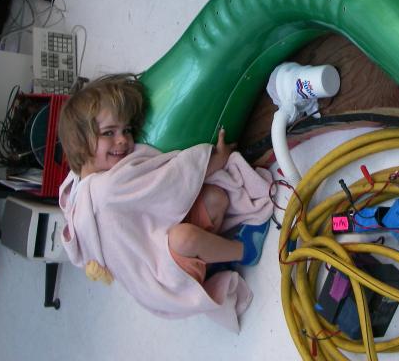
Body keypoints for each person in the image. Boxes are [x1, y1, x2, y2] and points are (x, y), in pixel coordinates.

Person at [57, 73, 271, 298]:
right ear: (80, 143)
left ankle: (212, 258)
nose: (123, 140)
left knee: (215, 199)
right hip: (165, 276)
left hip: (162, 243)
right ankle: (245, 251)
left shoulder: (75, 187)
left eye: (126, 130)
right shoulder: (106, 189)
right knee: (185, 238)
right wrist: (213, 160)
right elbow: (168, 182)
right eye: (109, 133)